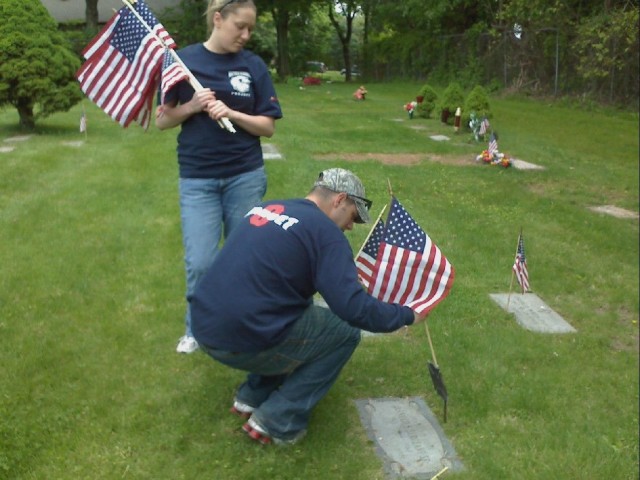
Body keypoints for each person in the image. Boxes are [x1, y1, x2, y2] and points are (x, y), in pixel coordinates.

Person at [191, 168, 429, 445]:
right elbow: (353, 310)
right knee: (343, 333)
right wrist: (406, 315)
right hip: (239, 336)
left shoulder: (269, 207)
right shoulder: (326, 233)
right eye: (353, 216)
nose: (350, 226)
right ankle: (277, 420)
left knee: (299, 310)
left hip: (203, 324)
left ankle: (251, 397)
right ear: (340, 199)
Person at [155, 0, 282, 354]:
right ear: (217, 19)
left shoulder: (253, 66)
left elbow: (268, 127)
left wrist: (232, 112)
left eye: (251, 29)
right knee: (201, 262)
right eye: (239, 26)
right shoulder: (182, 62)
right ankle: (196, 330)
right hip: (198, 179)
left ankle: (242, 327)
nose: (245, 35)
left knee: (244, 260)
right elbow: (162, 120)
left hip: (245, 176)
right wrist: (193, 106)